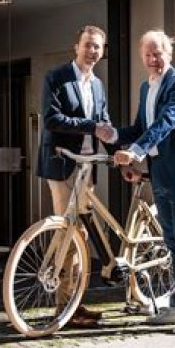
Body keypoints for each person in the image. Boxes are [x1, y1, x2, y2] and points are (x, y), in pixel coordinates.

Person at [99, 29, 175, 334]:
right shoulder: (145, 88)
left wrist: (135, 152)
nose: (152, 59)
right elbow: (141, 126)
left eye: (157, 53)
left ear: (168, 53)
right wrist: (114, 135)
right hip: (160, 171)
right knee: (172, 242)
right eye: (147, 54)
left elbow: (167, 122)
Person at [36, 25, 113, 328]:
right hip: (63, 164)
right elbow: (51, 119)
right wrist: (91, 126)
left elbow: (104, 124)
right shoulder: (56, 77)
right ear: (76, 47)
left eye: (98, 47)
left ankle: (75, 304)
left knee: (82, 236)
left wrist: (122, 153)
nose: (92, 51)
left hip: (87, 167)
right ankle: (64, 306)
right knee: (67, 231)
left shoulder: (98, 85)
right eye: (88, 45)